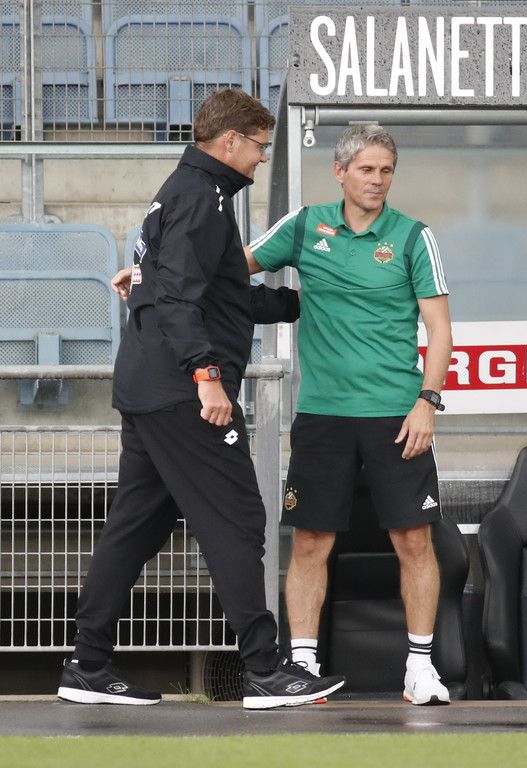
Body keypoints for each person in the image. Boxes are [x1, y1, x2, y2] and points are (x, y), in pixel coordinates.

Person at [57, 89, 344, 710]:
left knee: (134, 529)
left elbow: (215, 294)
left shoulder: (189, 192)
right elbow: (178, 297)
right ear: (230, 140)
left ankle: (87, 665)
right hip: (183, 393)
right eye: (260, 146)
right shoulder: (201, 198)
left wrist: (303, 302)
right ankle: (264, 671)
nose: (262, 157)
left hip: (150, 388)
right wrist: (206, 376)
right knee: (238, 519)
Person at [245, 124, 453, 706]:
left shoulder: (414, 236)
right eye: (366, 169)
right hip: (323, 415)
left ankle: (420, 668)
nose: (377, 180)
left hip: (397, 414)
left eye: (386, 170)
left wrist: (427, 402)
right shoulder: (305, 225)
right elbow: (231, 267)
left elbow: (439, 330)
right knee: (311, 540)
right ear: (339, 172)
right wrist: (152, 276)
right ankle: (302, 664)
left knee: (414, 540)